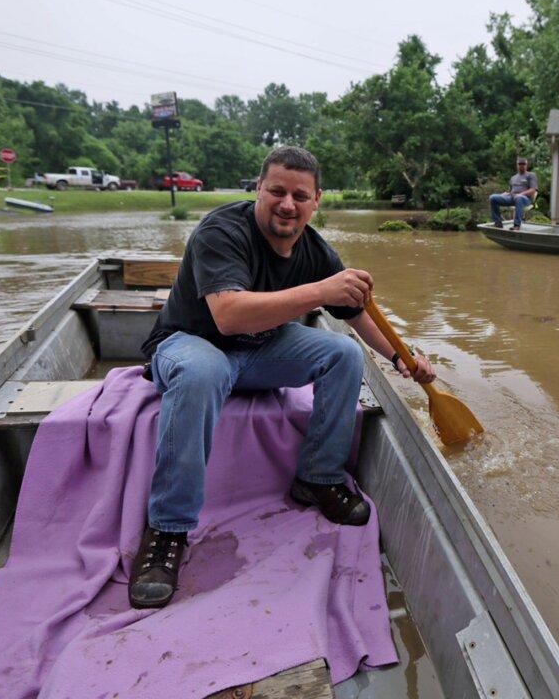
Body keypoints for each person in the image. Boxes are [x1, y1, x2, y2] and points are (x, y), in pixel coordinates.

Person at [130, 146, 436, 609]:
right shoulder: (221, 231)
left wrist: (402, 358)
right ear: (258, 189)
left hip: (259, 352)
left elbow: (356, 314)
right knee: (201, 371)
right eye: (277, 191)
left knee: (343, 354)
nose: (287, 205)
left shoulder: (315, 249)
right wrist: (321, 290)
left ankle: (318, 477)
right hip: (193, 343)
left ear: (317, 201)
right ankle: (168, 530)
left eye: (300, 195)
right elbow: (229, 316)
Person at [489, 157, 538, 230]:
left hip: (525, 199)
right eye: (520, 164)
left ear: (526, 165)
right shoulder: (513, 178)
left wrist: (521, 194)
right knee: (493, 197)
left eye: (523, 164)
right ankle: (498, 223)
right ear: (517, 165)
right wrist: (505, 194)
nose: (522, 165)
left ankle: (516, 225)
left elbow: (533, 190)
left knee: (519, 198)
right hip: (512, 198)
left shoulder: (531, 175)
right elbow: (511, 191)